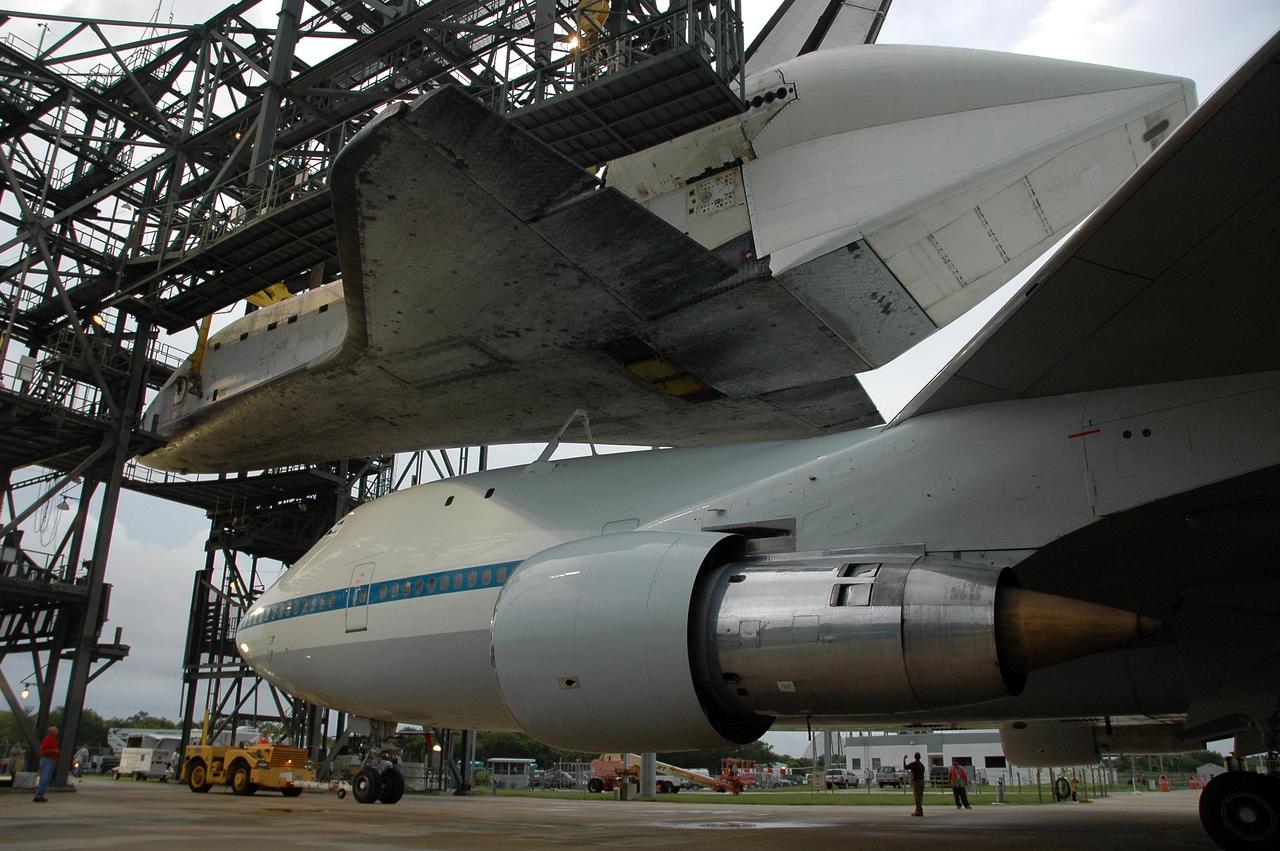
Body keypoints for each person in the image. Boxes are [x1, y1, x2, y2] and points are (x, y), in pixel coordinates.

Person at [33, 725, 59, 802]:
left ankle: (41, 795)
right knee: (44, 778)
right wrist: (53, 751)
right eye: (56, 731)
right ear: (51, 732)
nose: (57, 732)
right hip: (46, 759)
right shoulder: (47, 739)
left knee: (47, 779)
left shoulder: (54, 740)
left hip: (51, 760)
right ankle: (38, 796)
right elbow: (42, 751)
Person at [904, 752, 926, 816]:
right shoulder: (922, 765)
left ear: (914, 757)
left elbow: (905, 767)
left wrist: (904, 759)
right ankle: (918, 810)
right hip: (922, 781)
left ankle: (919, 811)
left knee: (916, 797)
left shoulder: (913, 764)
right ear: (920, 757)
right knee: (920, 797)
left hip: (916, 782)